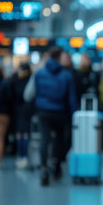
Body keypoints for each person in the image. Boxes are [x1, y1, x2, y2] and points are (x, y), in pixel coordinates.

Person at [31, 46, 77, 186]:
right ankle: (56, 164)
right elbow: (71, 98)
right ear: (59, 57)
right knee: (60, 139)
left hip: (43, 111)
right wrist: (74, 113)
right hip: (60, 112)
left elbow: (32, 93)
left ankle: (44, 168)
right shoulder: (66, 75)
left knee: (44, 139)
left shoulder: (39, 73)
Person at [9, 62, 34, 169]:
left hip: (19, 110)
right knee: (25, 134)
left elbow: (12, 96)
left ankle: (21, 155)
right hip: (27, 110)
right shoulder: (31, 80)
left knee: (20, 134)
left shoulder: (15, 80)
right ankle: (24, 156)